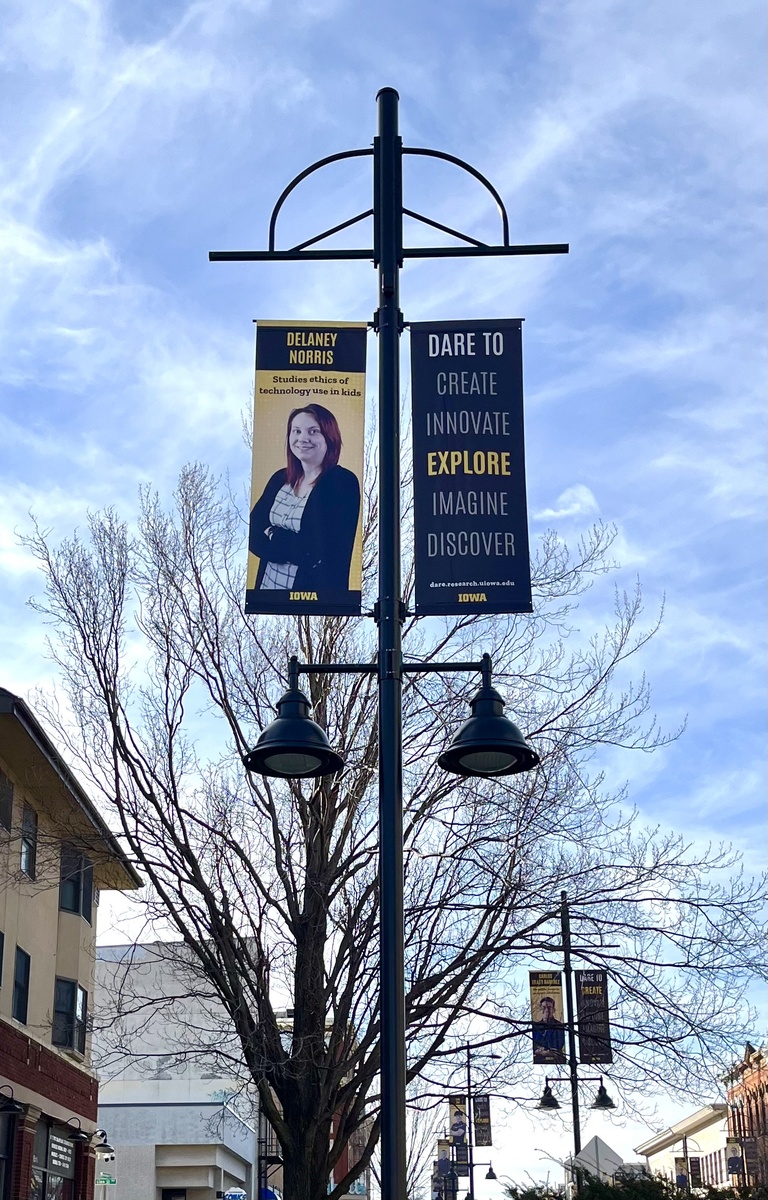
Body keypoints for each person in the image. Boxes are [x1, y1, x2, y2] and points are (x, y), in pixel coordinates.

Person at [249, 403, 360, 594]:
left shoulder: (342, 482)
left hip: (313, 598)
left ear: (329, 437)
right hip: (268, 591)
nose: (303, 438)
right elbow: (252, 534)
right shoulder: (280, 478)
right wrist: (287, 543)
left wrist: (272, 533)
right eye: (296, 431)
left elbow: (315, 550)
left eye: (313, 431)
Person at [532, 994, 566, 1062]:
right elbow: (534, 1046)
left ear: (553, 1010)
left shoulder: (560, 1026)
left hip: (557, 1060)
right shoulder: (535, 1027)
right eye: (544, 1007)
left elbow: (558, 1045)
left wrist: (542, 1051)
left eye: (549, 1007)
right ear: (540, 1010)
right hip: (539, 1061)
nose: (547, 1010)